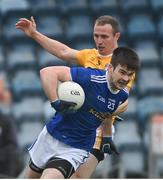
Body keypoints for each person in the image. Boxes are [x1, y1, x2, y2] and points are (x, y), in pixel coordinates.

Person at [16, 15, 135, 178]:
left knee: (77, 177)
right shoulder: (89, 56)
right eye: (96, 36)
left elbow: (122, 102)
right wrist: (35, 34)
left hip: (98, 130)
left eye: (104, 37)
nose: (99, 41)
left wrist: (104, 112)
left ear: (116, 36)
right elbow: (63, 51)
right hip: (73, 123)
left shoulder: (122, 67)